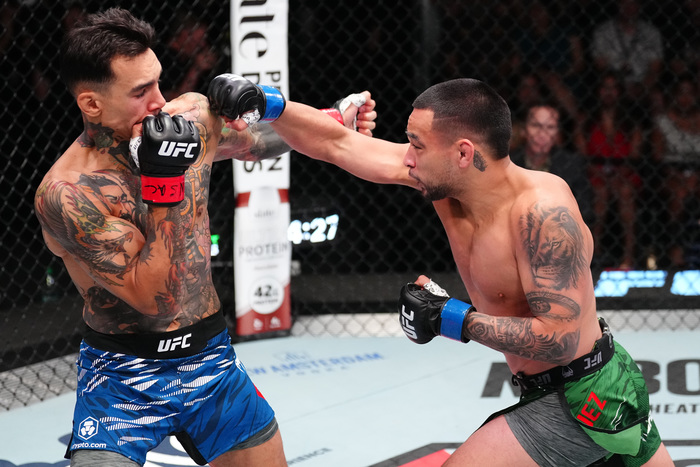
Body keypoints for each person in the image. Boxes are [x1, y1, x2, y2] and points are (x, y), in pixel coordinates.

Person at [208, 74, 674, 466]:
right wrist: (268, 103)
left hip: (584, 398)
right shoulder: (445, 183)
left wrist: (450, 318)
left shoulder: (541, 214)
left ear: (463, 153)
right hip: (555, 388)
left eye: (417, 145)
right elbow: (336, 143)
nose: (406, 157)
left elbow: (561, 338)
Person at [33, 8, 376, 466]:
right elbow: (155, 298)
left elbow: (256, 141)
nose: (159, 102)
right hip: (122, 377)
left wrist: (335, 117)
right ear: (92, 104)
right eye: (140, 92)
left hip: (210, 359)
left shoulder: (187, 117)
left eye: (158, 83)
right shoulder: (69, 195)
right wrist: (164, 181)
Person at [575, 72, 643, 269]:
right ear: (598, 91)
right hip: (594, 175)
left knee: (626, 191)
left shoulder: (631, 123)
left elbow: (634, 157)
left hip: (624, 175)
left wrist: (616, 177)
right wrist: (603, 177)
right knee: (600, 191)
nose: (609, 92)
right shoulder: (586, 121)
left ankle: (628, 256)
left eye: (613, 88)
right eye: (605, 88)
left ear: (620, 92)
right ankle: (593, 253)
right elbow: (582, 158)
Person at [510, 103, 594, 228]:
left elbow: (586, 212)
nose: (542, 134)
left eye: (550, 127)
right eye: (536, 125)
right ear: (524, 130)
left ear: (557, 134)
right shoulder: (508, 163)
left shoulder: (572, 165)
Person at [651, 74, 700, 268]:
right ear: (673, 96)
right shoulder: (663, 122)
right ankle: (676, 248)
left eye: (690, 93)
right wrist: (677, 175)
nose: (685, 98)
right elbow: (657, 157)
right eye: (681, 93)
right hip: (670, 173)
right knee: (679, 193)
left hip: (698, 173)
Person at [591, 0, 664, 101]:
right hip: (613, 84)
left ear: (639, 6)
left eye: (633, 4)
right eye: (625, 3)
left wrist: (642, 87)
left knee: (657, 97)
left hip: (643, 84)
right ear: (618, 5)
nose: (629, 8)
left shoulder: (651, 33)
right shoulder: (603, 32)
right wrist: (620, 85)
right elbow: (600, 65)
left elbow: (655, 68)